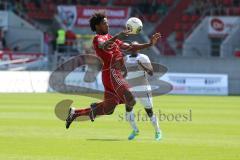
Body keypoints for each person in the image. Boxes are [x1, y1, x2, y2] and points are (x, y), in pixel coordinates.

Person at [65, 12, 161, 136]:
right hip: (112, 72)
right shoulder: (98, 38)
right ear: (98, 26)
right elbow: (104, 46)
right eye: (104, 23)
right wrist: (117, 36)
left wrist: (149, 44)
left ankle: (75, 113)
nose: (107, 24)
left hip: (112, 74)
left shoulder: (111, 38)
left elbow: (130, 47)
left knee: (108, 109)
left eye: (107, 22)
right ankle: (97, 107)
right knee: (131, 99)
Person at [124, 41, 161, 141]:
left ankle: (157, 131)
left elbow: (151, 72)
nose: (133, 48)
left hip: (143, 88)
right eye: (132, 46)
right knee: (128, 111)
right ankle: (135, 130)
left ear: (139, 48)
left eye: (136, 46)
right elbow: (124, 73)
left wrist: (142, 66)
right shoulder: (126, 58)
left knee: (149, 111)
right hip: (130, 89)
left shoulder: (143, 57)